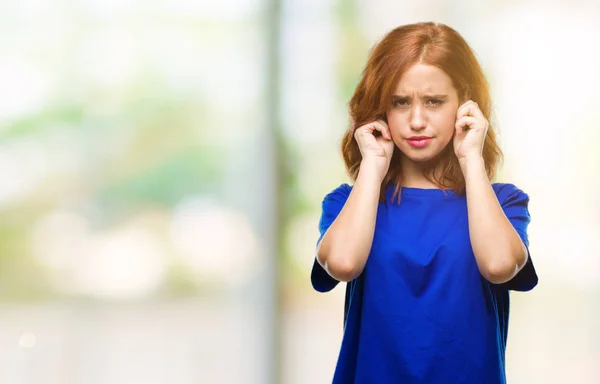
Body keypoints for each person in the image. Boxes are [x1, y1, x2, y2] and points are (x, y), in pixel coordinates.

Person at [310, 22, 538, 383]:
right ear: (381, 109)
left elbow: (499, 265)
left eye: (434, 102)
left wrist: (471, 159)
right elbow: (342, 263)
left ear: (464, 104)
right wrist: (372, 164)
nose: (416, 121)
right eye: (400, 103)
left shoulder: (503, 202)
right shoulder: (348, 203)